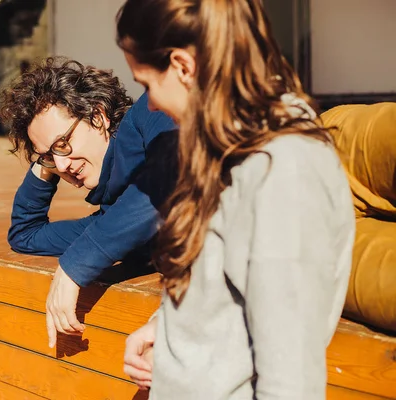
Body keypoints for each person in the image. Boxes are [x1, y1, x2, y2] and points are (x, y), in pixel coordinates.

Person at [116, 0, 355, 398]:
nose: (152, 105)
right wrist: (168, 327)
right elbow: (227, 282)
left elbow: (290, 377)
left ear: (183, 67)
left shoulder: (281, 171)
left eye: (146, 86)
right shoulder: (226, 146)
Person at [0, 57, 176, 348]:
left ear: (99, 117)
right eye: (49, 156)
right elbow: (25, 235)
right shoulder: (111, 220)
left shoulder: (153, 111)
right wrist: (43, 165)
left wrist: (74, 266)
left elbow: (171, 178)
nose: (62, 164)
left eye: (62, 143)